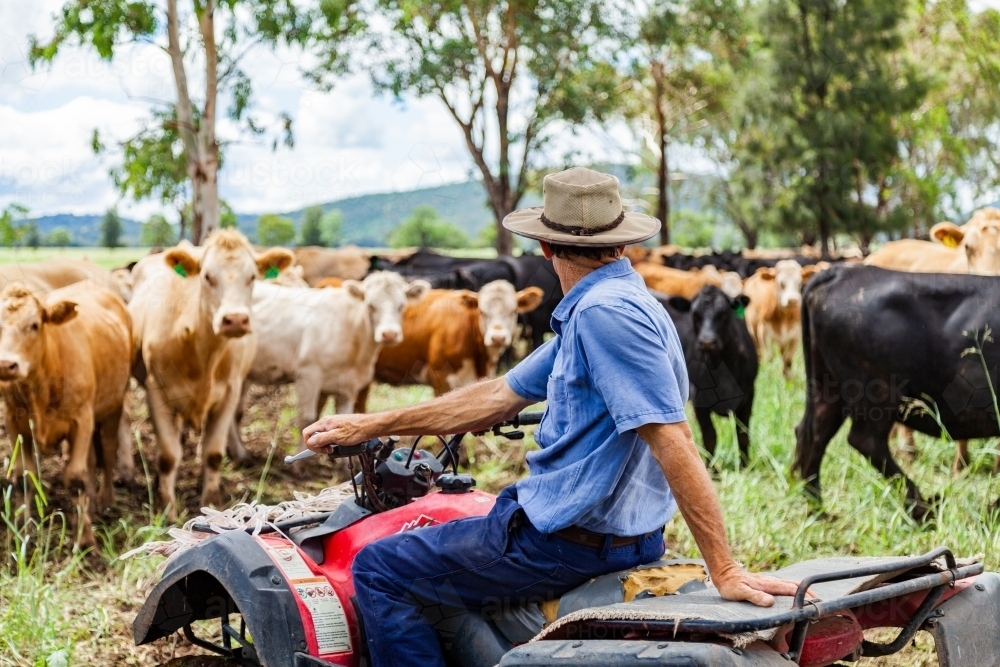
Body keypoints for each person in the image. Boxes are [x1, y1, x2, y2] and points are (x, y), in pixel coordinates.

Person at [303, 167, 798, 667]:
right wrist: (368, 424)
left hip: (565, 544)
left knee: (379, 568)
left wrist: (725, 568)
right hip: (632, 537)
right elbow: (499, 394)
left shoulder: (602, 314)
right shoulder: (622, 304)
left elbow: (673, 439)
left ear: (544, 247)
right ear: (621, 243)